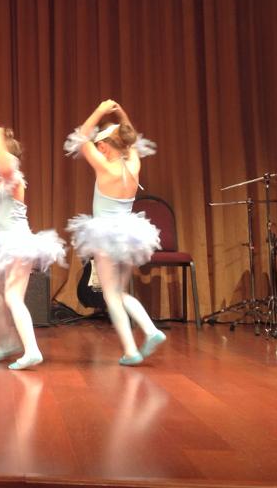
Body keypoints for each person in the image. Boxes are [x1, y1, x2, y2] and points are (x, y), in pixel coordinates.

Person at [64, 99, 164, 365]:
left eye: (100, 146)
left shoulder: (105, 167)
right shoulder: (133, 164)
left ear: (105, 147)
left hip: (105, 236)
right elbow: (131, 139)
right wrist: (121, 114)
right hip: (130, 234)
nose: (98, 149)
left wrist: (100, 111)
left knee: (111, 294)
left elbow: (81, 136)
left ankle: (132, 349)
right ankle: (149, 330)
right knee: (120, 292)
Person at [0, 127, 66, 370]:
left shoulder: (14, 180)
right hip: (7, 245)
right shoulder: (0, 185)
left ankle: (32, 350)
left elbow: (7, 166)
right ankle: (6, 343)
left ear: (5, 159)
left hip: (18, 245)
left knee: (12, 297)